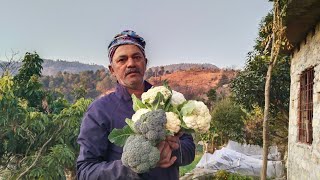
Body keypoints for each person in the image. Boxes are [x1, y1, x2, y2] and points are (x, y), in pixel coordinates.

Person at [76, 30, 195, 180]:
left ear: (145, 63)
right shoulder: (99, 111)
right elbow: (85, 171)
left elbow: (190, 151)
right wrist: (133, 167)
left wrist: (174, 149)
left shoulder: (168, 101)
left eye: (136, 57)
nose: (131, 63)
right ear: (112, 70)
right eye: (122, 60)